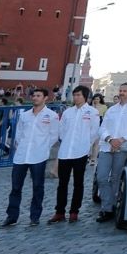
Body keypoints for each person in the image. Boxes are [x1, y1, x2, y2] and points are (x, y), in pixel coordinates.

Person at [0, 88, 60, 227]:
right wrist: (21, 145)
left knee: (38, 187)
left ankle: (35, 216)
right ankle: (12, 217)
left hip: (39, 156)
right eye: (33, 95)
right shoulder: (25, 115)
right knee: (15, 187)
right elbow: (19, 134)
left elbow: (54, 135)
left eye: (38, 95)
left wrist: (43, 147)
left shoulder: (52, 116)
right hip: (21, 156)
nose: (35, 98)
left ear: (45, 98)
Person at [96, 82, 127, 222]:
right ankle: (108, 204)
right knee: (101, 177)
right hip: (107, 146)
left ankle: (109, 208)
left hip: (123, 148)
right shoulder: (112, 109)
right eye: (120, 90)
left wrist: (121, 140)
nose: (121, 93)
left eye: (124, 91)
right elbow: (102, 128)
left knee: (116, 178)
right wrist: (110, 139)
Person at [50, 85, 99, 223]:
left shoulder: (92, 112)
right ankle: (59, 212)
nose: (76, 97)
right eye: (74, 95)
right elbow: (61, 130)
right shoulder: (68, 112)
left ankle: (74, 211)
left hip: (80, 152)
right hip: (65, 152)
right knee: (62, 183)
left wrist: (85, 144)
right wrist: (66, 140)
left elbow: (94, 132)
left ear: (85, 97)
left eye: (79, 95)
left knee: (78, 183)